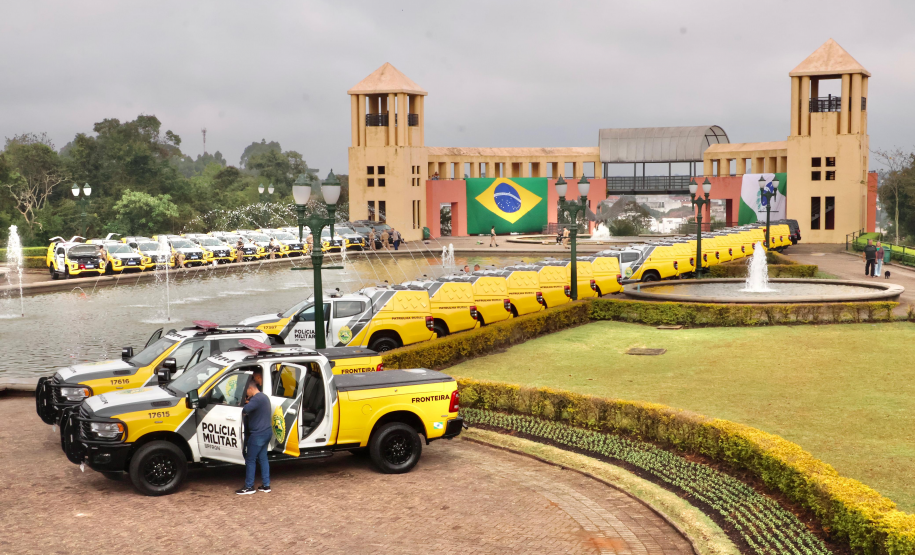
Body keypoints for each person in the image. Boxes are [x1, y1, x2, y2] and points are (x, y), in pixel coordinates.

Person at [237, 380, 271, 495]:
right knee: (263, 458)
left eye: (246, 392)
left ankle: (249, 486)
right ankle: (266, 485)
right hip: (266, 432)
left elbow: (244, 410)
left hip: (258, 434)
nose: (246, 394)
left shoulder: (256, 399)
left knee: (250, 459)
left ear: (250, 388)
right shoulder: (264, 397)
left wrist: (243, 403)